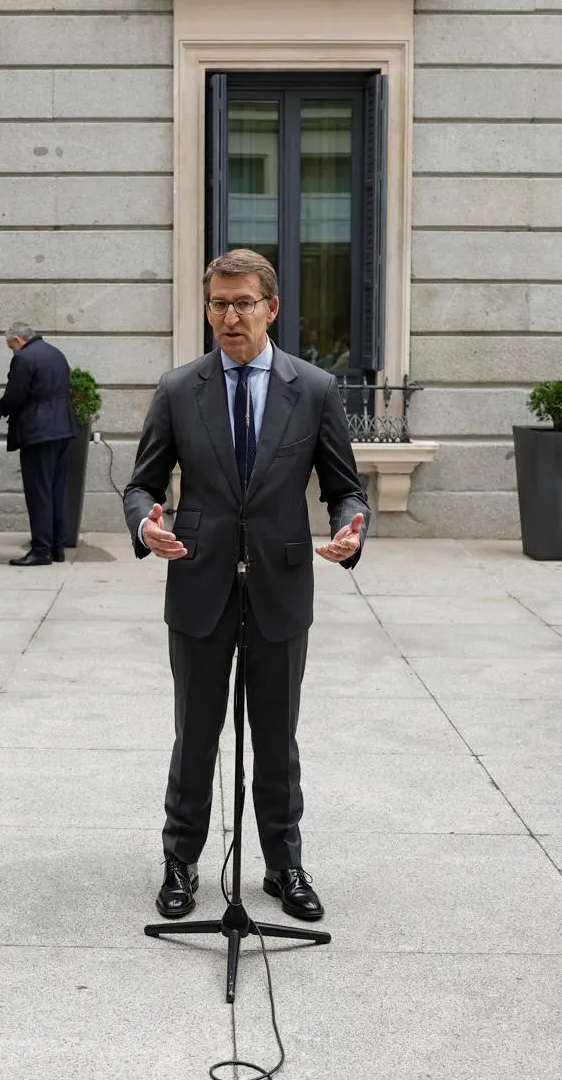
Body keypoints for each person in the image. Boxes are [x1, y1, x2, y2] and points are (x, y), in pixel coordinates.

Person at [129, 248, 370, 921]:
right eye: (217, 304)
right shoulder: (180, 389)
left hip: (281, 590)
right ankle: (181, 863)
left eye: (242, 303)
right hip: (199, 586)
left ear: (271, 307)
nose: (229, 317)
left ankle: (284, 866)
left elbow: (346, 491)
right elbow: (143, 483)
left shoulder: (314, 389)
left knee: (276, 738)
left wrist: (352, 529)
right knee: (195, 735)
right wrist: (144, 526)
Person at [2, 321, 79, 565]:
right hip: (63, 429)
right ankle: (57, 547)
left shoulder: (24, 358)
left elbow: (15, 396)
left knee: (39, 493)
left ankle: (41, 549)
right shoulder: (56, 353)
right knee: (57, 490)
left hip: (38, 432)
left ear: (17, 340)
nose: (12, 351)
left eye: (10, 346)